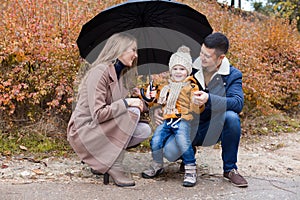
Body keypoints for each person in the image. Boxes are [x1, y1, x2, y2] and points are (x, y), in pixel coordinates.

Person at [153, 32, 248, 187]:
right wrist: (159, 108)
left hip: (214, 126)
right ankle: (187, 154)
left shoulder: (232, 75)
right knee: (169, 152)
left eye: (207, 56)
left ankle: (230, 169)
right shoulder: (190, 69)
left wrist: (208, 98)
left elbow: (237, 103)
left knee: (231, 117)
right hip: (187, 125)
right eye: (201, 52)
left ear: (220, 58)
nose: (202, 58)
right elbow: (172, 90)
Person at [67, 32, 151, 187]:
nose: (136, 55)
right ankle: (113, 165)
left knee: (144, 130)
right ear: (120, 49)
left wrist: (145, 99)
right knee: (132, 112)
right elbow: (99, 114)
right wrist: (127, 103)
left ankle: (101, 161)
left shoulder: (120, 76)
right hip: (84, 130)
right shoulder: (99, 72)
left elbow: (126, 108)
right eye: (133, 50)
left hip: (101, 128)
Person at [141, 46, 204, 187]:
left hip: (182, 119)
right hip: (167, 119)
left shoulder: (191, 86)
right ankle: (157, 164)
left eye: (182, 69)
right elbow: (155, 101)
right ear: (170, 70)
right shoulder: (165, 86)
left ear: (187, 71)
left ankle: (190, 168)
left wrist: (196, 103)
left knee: (183, 141)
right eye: (175, 68)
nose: (178, 72)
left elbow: (197, 109)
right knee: (156, 139)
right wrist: (148, 96)